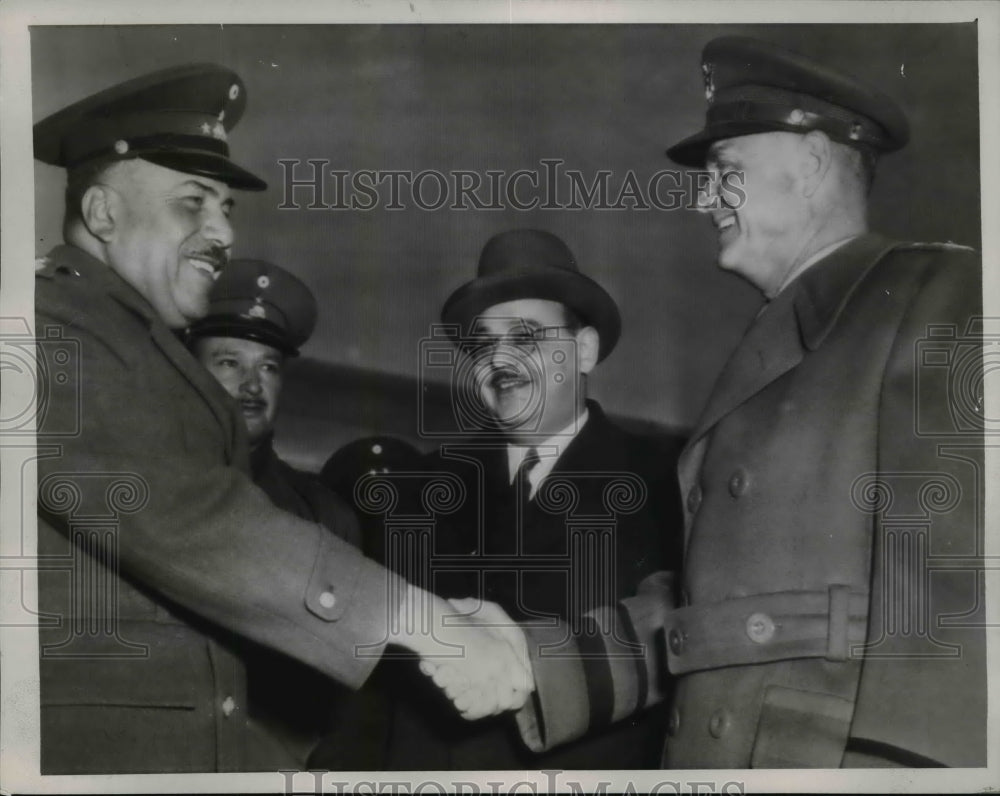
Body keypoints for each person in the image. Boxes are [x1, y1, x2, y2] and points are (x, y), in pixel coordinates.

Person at [449, 37, 986, 769]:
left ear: (812, 165)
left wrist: (902, 775)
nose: (702, 200)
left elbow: (955, 583)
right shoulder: (780, 342)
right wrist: (531, 663)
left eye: (726, 173)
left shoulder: (937, 297)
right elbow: (716, 612)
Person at [32, 63, 530, 774]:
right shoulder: (48, 330)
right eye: (192, 203)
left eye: (226, 210)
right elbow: (184, 513)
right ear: (103, 214)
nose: (221, 234)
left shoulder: (130, 344)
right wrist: (427, 622)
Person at [380, 228, 683, 770]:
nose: (501, 361)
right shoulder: (425, 487)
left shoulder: (664, 482)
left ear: (584, 349)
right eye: (482, 344)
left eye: (525, 337)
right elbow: (379, 686)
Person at [185, 258, 367, 767]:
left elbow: (344, 696)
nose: (251, 384)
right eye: (228, 362)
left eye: (267, 366)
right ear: (186, 372)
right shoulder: (149, 493)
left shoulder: (323, 515)